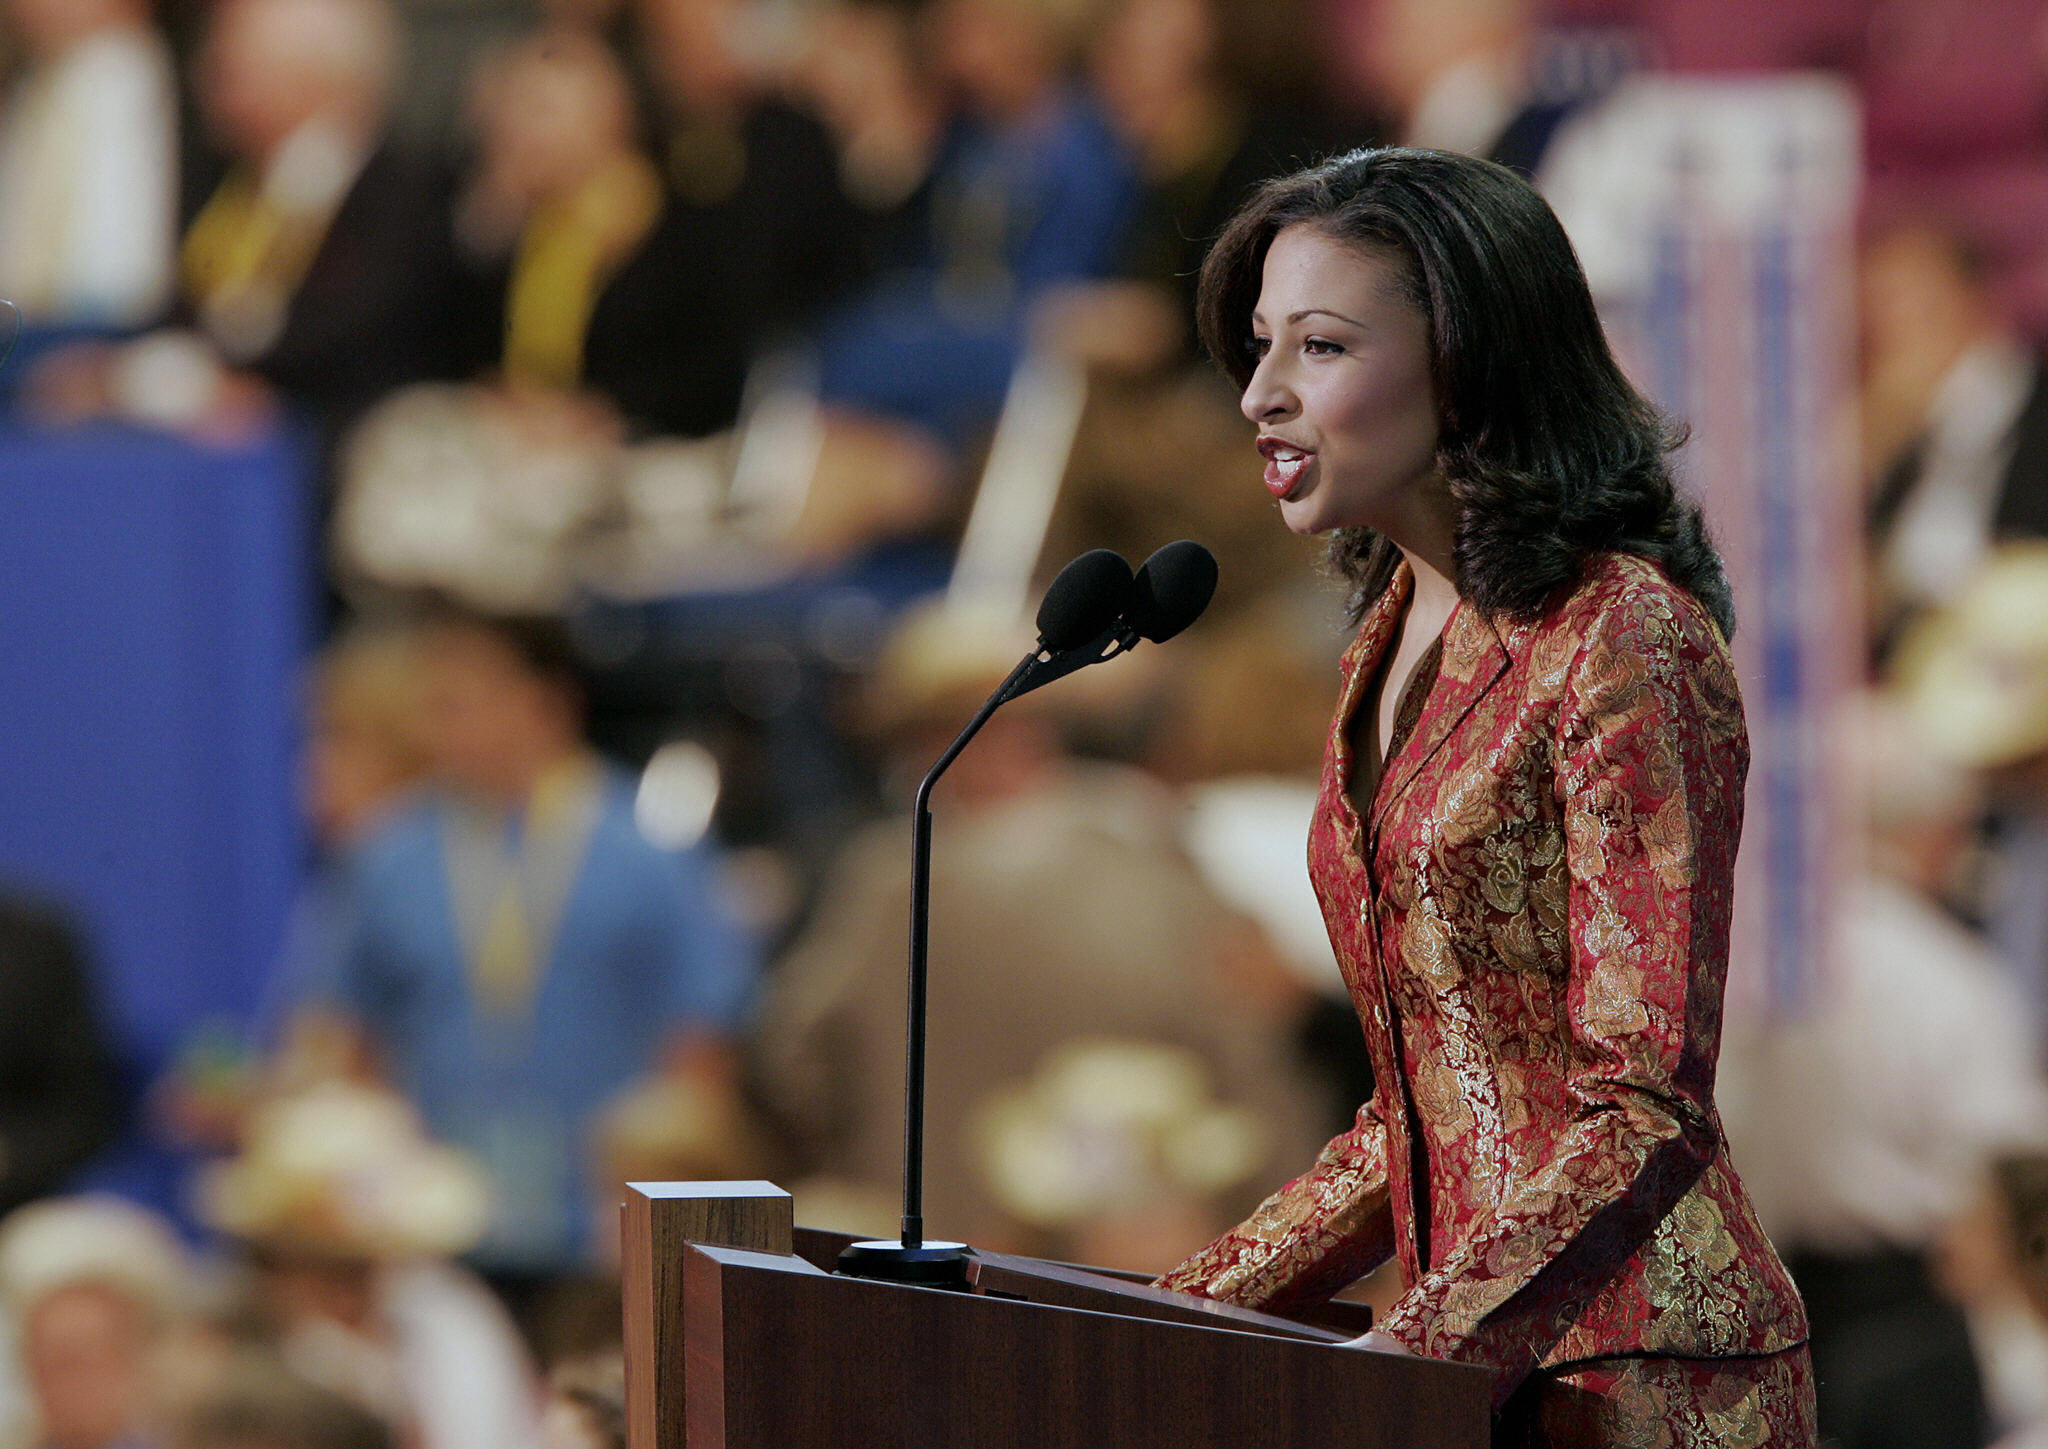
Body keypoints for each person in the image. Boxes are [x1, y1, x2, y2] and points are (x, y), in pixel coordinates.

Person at [1149, 148, 1814, 1443]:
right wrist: (1172, 1317)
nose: (1262, 396)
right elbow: (1417, 1114)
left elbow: (1641, 1107)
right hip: (1465, 1374)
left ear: (1470, 358)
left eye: (1322, 347)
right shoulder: (1390, 629)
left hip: (1636, 1380)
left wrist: (1413, 1352)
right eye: (1258, 346)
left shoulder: (1624, 634)